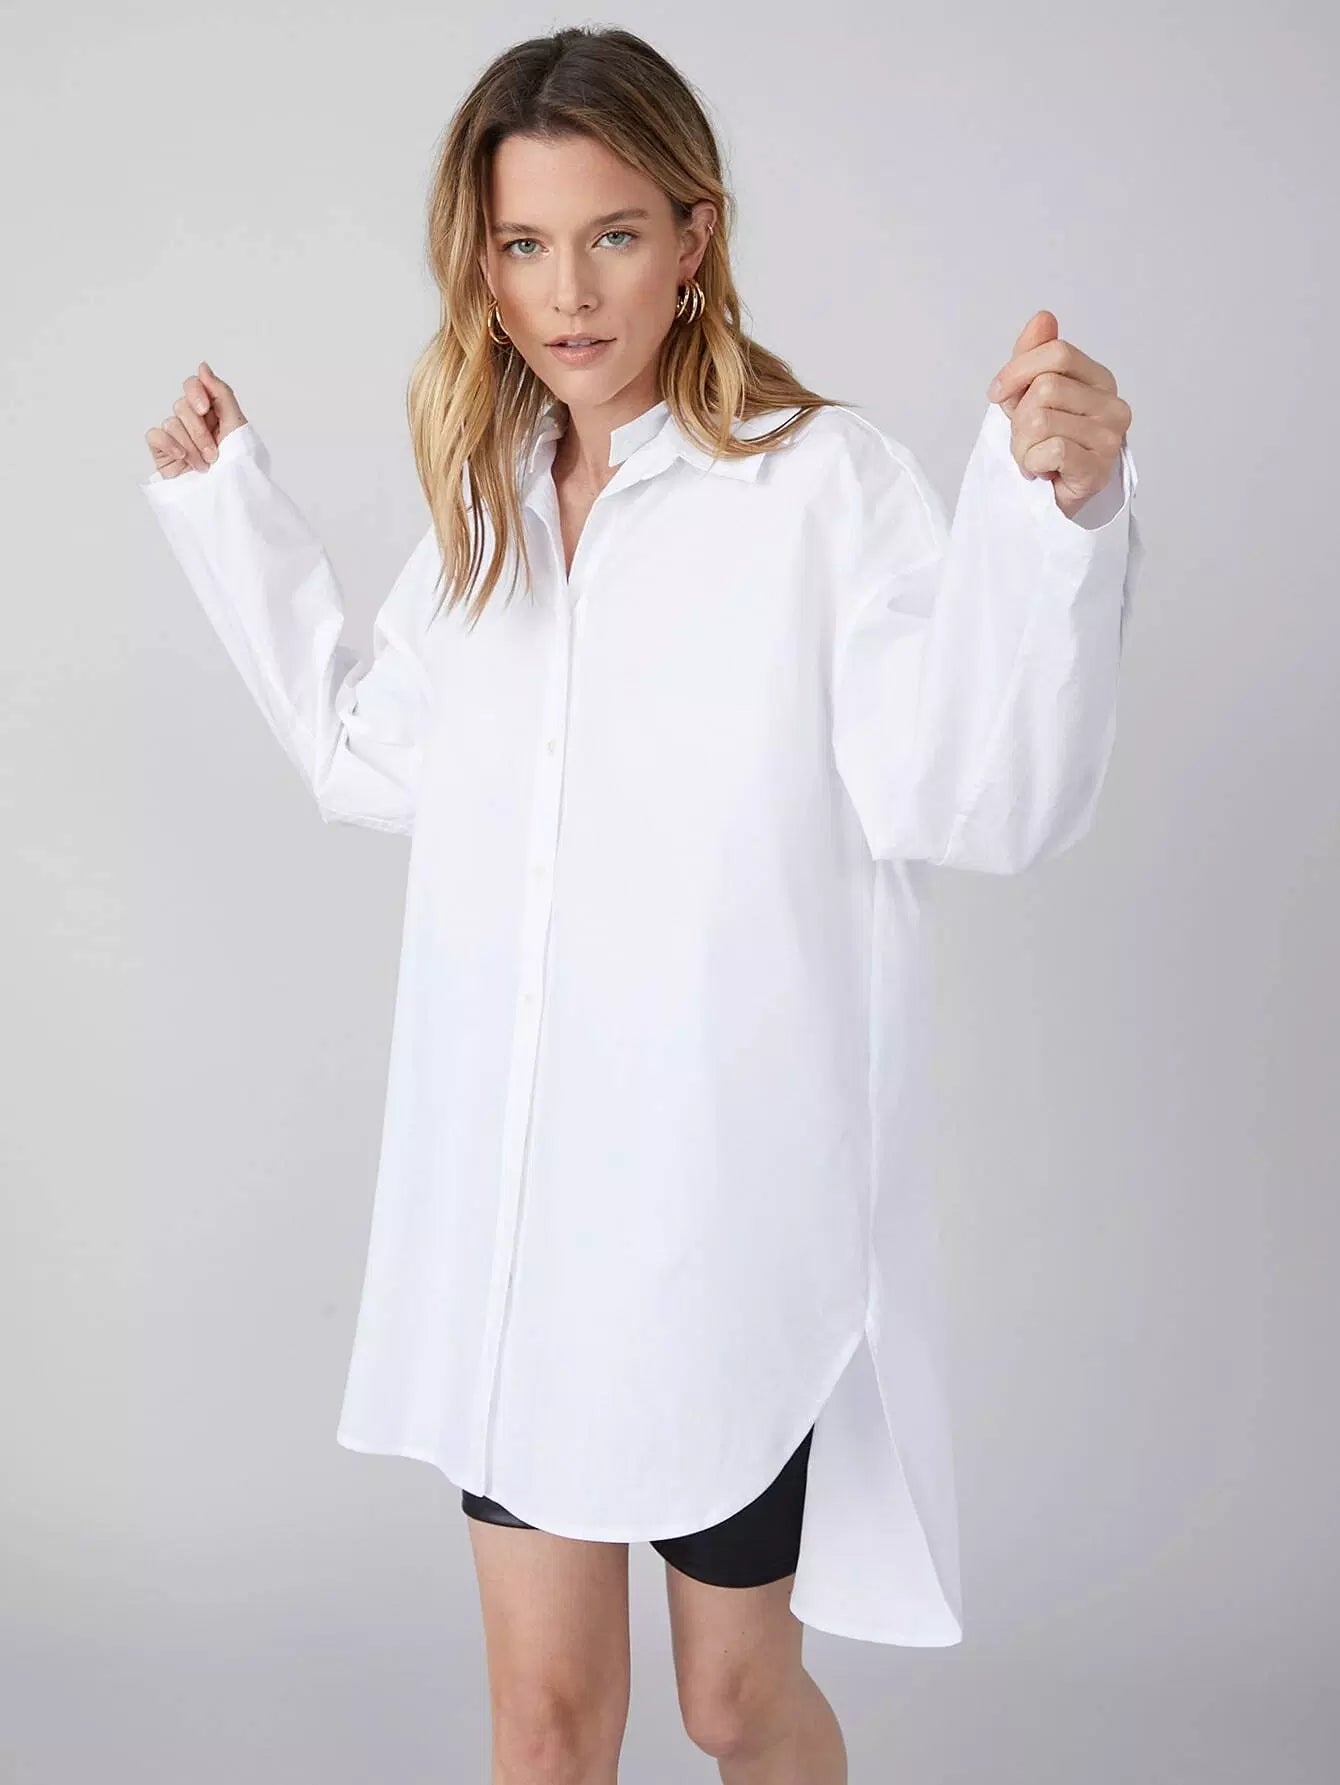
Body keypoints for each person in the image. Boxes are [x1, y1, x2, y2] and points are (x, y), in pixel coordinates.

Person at [138, 24, 1141, 1785]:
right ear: (483, 266)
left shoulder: (817, 486)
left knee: (734, 1704)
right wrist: (232, 518)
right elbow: (373, 755)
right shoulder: (494, 508)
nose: (568, 292)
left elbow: (967, 789)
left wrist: (1063, 518)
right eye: (523, 245)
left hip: (719, 1233)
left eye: (611, 234)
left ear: (694, 234)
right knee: (543, 1725)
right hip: (519, 1231)